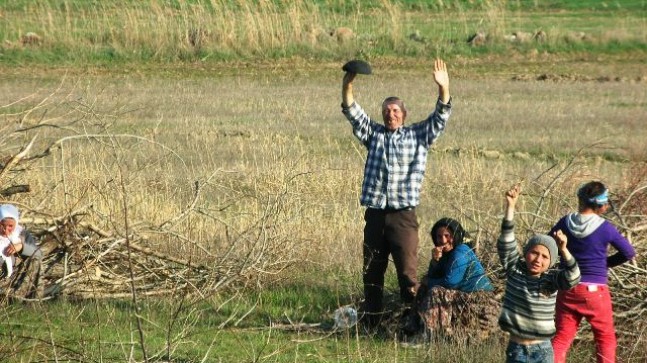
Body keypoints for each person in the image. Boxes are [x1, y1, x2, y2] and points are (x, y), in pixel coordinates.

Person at [341, 59, 452, 327]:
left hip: (404, 217)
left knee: (408, 274)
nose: (390, 114)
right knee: (372, 272)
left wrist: (443, 88)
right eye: (386, 110)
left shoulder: (418, 135)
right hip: (376, 216)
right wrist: (349, 82)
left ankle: (412, 324)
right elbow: (351, 110)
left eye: (395, 110)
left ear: (404, 114)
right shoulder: (374, 135)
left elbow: (441, 116)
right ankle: (371, 324)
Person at [549, 181, 636, 363]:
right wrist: (605, 264)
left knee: (561, 339)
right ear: (603, 206)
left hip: (568, 288)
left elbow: (548, 244)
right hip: (595, 292)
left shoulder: (565, 222)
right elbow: (628, 252)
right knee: (605, 339)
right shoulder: (605, 228)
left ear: (580, 199)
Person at [498, 185, 581, 363]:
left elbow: (573, 277)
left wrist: (564, 250)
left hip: (543, 351)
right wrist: (510, 207)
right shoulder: (515, 270)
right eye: (534, 253)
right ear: (526, 252)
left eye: (545, 257)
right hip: (517, 350)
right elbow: (506, 242)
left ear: (550, 263)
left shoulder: (550, 280)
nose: (538, 259)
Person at [411, 217, 497, 341]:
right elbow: (431, 276)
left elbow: (451, 282)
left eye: (447, 235)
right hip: (463, 297)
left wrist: (429, 282)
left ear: (455, 235)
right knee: (426, 287)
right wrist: (435, 261)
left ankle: (431, 335)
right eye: (439, 236)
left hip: (479, 299)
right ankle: (412, 328)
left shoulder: (460, 251)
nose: (443, 240)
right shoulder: (445, 254)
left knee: (436, 291)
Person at [0, 204, 44, 298]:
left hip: (16, 277)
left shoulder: (22, 234)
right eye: (2, 225)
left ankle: (26, 298)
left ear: (15, 224)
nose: (6, 230)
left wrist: (21, 247)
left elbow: (39, 254)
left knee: (35, 260)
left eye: (10, 226)